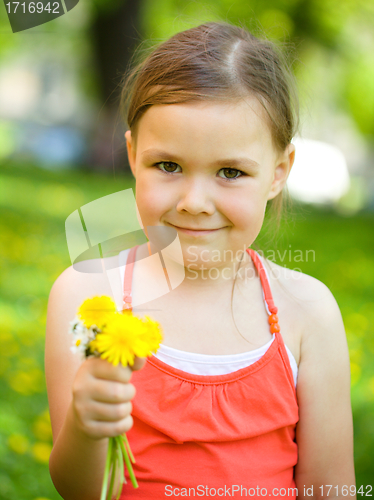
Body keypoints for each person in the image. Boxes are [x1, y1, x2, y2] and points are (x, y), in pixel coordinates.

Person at [45, 21, 356, 500]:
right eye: (167, 166)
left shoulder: (307, 312)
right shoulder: (88, 295)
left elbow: (331, 489)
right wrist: (87, 428)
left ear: (278, 173)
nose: (194, 202)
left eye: (230, 172)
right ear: (132, 155)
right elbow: (79, 491)